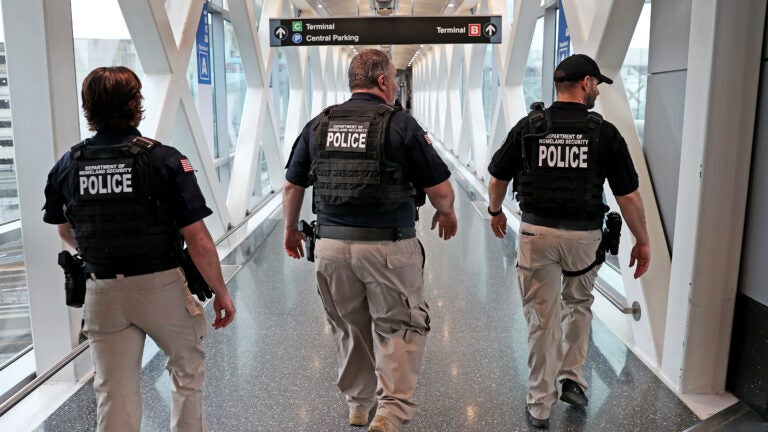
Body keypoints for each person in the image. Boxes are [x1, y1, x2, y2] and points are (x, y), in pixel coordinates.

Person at [42, 66, 236, 432]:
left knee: (114, 393)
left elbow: (63, 227)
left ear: (89, 108)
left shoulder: (69, 164)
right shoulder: (163, 160)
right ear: (136, 105)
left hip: (101, 290)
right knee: (186, 373)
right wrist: (221, 292)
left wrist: (100, 248)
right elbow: (196, 237)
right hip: (160, 285)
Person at [283, 49, 458, 432]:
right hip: (388, 247)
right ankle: (390, 414)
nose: (396, 86)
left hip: (329, 247)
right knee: (399, 328)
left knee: (349, 327)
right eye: (394, 79)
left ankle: (359, 405)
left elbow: (292, 184)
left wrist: (290, 229)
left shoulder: (319, 124)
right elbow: (441, 191)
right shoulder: (400, 125)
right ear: (382, 82)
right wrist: (446, 211)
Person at [486, 54, 650, 429]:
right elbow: (628, 196)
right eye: (597, 84)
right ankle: (573, 378)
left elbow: (497, 177)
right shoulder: (603, 132)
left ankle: (540, 403)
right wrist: (642, 240)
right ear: (586, 83)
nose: (597, 91)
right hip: (584, 238)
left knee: (542, 319)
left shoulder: (529, 126)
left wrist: (496, 211)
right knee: (579, 304)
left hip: (537, 234)